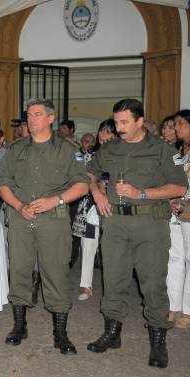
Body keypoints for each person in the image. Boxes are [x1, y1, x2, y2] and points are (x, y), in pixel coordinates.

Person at [87, 99, 187, 368]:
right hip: (116, 224)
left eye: (124, 122)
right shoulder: (110, 148)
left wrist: (141, 193)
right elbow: (88, 173)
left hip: (149, 225)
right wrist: (97, 194)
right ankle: (112, 332)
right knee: (114, 279)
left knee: (153, 282)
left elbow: (179, 187)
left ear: (140, 121)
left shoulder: (163, 150)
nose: (118, 127)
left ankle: (157, 341)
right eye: (116, 121)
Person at [0, 98, 89, 355]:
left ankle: (60, 333)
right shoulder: (15, 149)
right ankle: (19, 325)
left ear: (50, 118)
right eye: (29, 114)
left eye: (37, 114)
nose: (31, 118)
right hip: (20, 218)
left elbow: (82, 184)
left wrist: (56, 200)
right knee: (18, 270)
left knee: (56, 272)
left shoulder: (68, 150)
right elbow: (2, 182)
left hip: (54, 219)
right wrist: (17, 205)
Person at [73, 121, 117, 301]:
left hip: (116, 206)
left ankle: (113, 288)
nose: (103, 135)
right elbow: (84, 177)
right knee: (88, 243)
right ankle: (85, 285)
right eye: (102, 131)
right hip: (92, 205)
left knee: (112, 248)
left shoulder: (122, 154)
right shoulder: (91, 156)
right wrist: (96, 187)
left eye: (108, 132)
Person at [167, 109, 190, 329]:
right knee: (174, 257)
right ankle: (173, 306)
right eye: (174, 124)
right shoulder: (177, 150)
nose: (176, 127)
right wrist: (172, 199)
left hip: (189, 209)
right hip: (175, 208)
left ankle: (188, 309)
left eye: (180, 123)